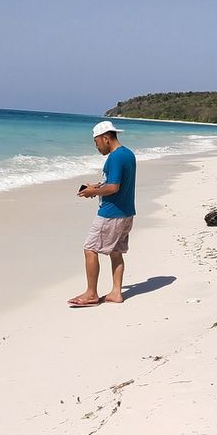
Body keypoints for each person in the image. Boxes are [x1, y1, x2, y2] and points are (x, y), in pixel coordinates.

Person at [68, 120, 137, 307]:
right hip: (127, 213)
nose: (96, 146)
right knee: (116, 252)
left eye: (96, 142)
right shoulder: (128, 154)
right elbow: (116, 182)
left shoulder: (114, 158)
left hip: (111, 214)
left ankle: (91, 294)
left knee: (90, 248)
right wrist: (97, 187)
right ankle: (116, 293)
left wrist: (93, 192)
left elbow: (114, 187)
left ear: (106, 138)